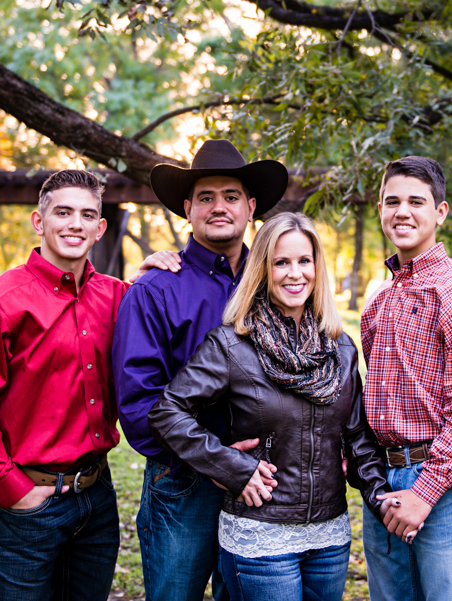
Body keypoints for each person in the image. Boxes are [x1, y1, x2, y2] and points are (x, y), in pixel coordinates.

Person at [0, 169, 177, 600]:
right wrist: (13, 490)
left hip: (96, 499)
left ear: (100, 228)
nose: (75, 224)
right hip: (27, 504)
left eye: (87, 215)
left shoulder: (118, 296)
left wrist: (152, 279)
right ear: (38, 221)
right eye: (63, 212)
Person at [147, 212, 390, 601]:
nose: (295, 274)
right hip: (261, 537)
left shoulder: (340, 348)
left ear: (317, 267)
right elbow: (167, 412)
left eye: (304, 261)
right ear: (263, 269)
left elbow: (356, 434)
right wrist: (230, 467)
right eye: (281, 262)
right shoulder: (231, 345)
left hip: (328, 536)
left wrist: (379, 495)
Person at [112, 139, 291, 601]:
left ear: (251, 207)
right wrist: (215, 462)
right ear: (187, 209)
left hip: (264, 477)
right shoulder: (154, 290)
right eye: (205, 197)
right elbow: (138, 403)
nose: (219, 207)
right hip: (184, 481)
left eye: (231, 196)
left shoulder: (282, 282)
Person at [360, 156, 452, 601]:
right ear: (380, 209)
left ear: (439, 212)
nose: (402, 212)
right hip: (384, 481)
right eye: (392, 201)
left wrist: (425, 492)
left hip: (442, 484)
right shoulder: (381, 297)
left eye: (416, 202)